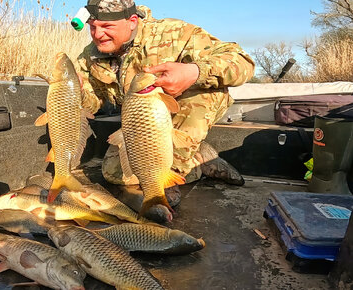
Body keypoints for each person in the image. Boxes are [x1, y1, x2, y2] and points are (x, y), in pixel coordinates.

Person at [75, 0, 255, 205]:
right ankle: (199, 159)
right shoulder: (90, 55)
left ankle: (171, 176)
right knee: (114, 173)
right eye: (92, 27)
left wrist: (194, 72)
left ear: (132, 21)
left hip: (185, 110)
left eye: (107, 27)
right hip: (141, 124)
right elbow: (94, 103)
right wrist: (78, 92)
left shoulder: (175, 33)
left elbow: (242, 61)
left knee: (201, 96)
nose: (98, 35)